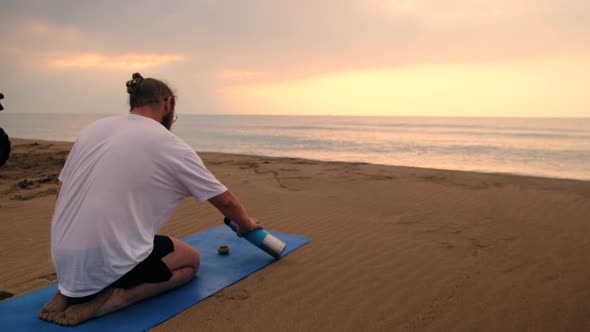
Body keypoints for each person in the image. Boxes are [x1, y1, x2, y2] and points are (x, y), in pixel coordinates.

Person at [38, 73, 261, 326]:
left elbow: (62, 189)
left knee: (120, 243)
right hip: (105, 258)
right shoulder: (169, 144)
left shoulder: (93, 129)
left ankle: (69, 292)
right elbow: (225, 201)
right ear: (167, 104)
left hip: (64, 257)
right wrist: (246, 224)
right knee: (190, 261)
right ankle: (117, 298)